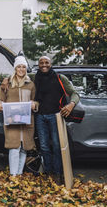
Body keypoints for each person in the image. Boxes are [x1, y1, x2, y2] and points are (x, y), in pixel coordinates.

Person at [34, 56, 80, 184]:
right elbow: (19, 78)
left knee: (56, 146)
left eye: (46, 62)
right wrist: (5, 81)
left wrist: (71, 105)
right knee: (43, 146)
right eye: (41, 63)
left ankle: (58, 173)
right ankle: (48, 172)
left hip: (56, 116)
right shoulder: (35, 77)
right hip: (40, 117)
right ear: (38, 65)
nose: (44, 65)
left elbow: (75, 94)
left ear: (51, 63)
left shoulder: (60, 78)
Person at [0, 56, 39, 176]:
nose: (21, 69)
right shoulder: (7, 83)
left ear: (26, 68)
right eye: (19, 66)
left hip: (26, 122)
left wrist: (34, 104)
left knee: (24, 148)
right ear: (15, 68)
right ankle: (13, 175)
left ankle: (19, 175)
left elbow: (36, 101)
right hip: (11, 121)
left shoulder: (31, 84)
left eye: (23, 67)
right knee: (14, 148)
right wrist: (0, 105)